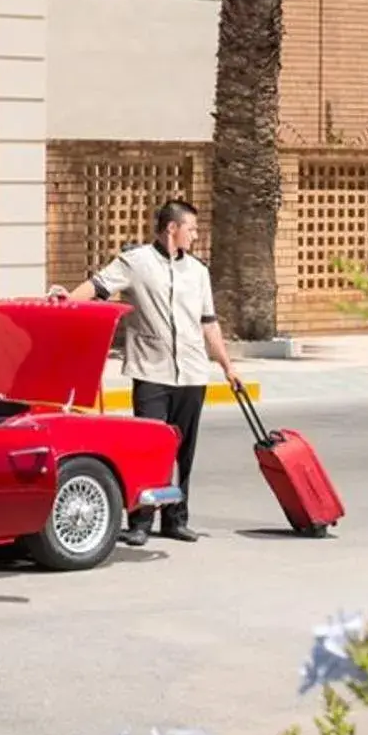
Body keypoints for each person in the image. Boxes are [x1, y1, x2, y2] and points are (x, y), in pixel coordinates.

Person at [49, 199, 238, 546]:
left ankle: (176, 520)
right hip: (151, 371)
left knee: (184, 450)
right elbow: (98, 285)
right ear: (172, 228)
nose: (195, 235)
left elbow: (209, 322)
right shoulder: (136, 262)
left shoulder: (198, 271)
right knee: (148, 449)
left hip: (192, 373)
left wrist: (227, 366)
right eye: (191, 228)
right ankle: (140, 522)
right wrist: (67, 302)